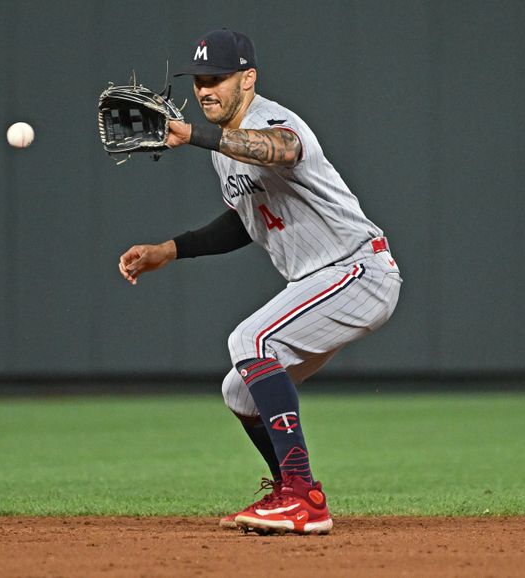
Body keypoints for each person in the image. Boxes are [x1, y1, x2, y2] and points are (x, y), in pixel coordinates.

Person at [117, 29, 402, 535]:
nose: (205, 90)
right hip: (319, 281)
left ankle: (304, 497)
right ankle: (288, 495)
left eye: (217, 79)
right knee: (239, 391)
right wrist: (169, 250)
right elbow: (245, 221)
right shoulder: (222, 148)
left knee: (250, 339)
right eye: (199, 80)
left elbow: (281, 150)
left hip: (358, 269)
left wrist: (191, 134)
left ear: (247, 78)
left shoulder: (273, 119)